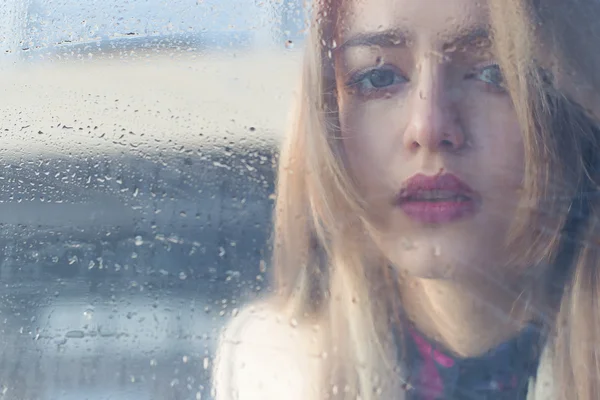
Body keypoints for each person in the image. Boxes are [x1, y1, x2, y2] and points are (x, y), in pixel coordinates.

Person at [213, 0, 600, 398]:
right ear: (326, 111)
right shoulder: (270, 370)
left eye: (496, 72)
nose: (429, 127)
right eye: (378, 78)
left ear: (575, 107)